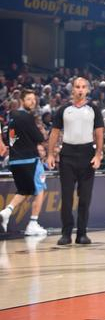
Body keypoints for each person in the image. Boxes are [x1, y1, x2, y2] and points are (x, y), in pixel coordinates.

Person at [47, 77, 104, 246]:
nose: (80, 89)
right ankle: (66, 233)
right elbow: (54, 133)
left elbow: (99, 133)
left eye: (83, 87)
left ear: (88, 90)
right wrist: (50, 154)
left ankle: (82, 234)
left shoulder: (94, 109)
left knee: (85, 198)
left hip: (87, 155)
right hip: (67, 155)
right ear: (72, 89)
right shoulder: (63, 109)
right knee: (66, 197)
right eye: (77, 87)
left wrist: (98, 155)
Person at [0, 89, 48, 236]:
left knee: (24, 190)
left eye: (34, 99)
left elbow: (11, 139)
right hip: (30, 160)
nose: (32, 102)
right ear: (22, 100)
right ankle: (33, 223)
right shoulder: (27, 117)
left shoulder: (12, 118)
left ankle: (6, 212)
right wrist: (40, 131)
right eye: (29, 99)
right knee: (40, 190)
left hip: (15, 161)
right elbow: (39, 138)